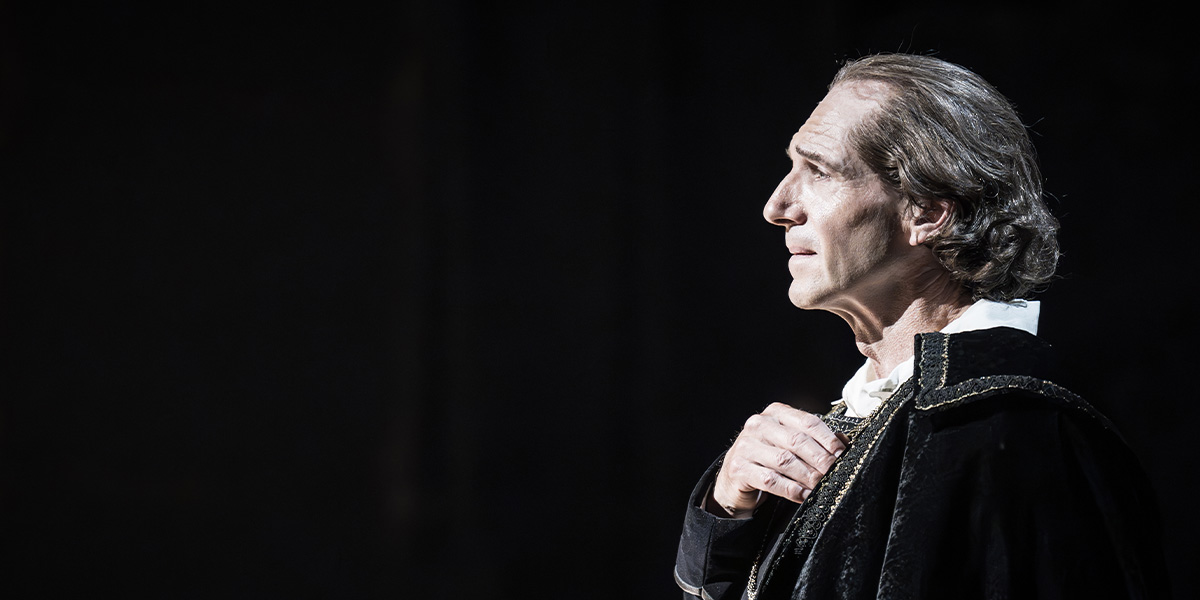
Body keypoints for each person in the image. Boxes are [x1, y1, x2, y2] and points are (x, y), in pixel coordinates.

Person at [674, 54, 1167, 600]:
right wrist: (729, 511)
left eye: (819, 171)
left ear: (928, 213)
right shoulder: (883, 413)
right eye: (791, 166)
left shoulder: (1007, 424)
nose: (777, 206)